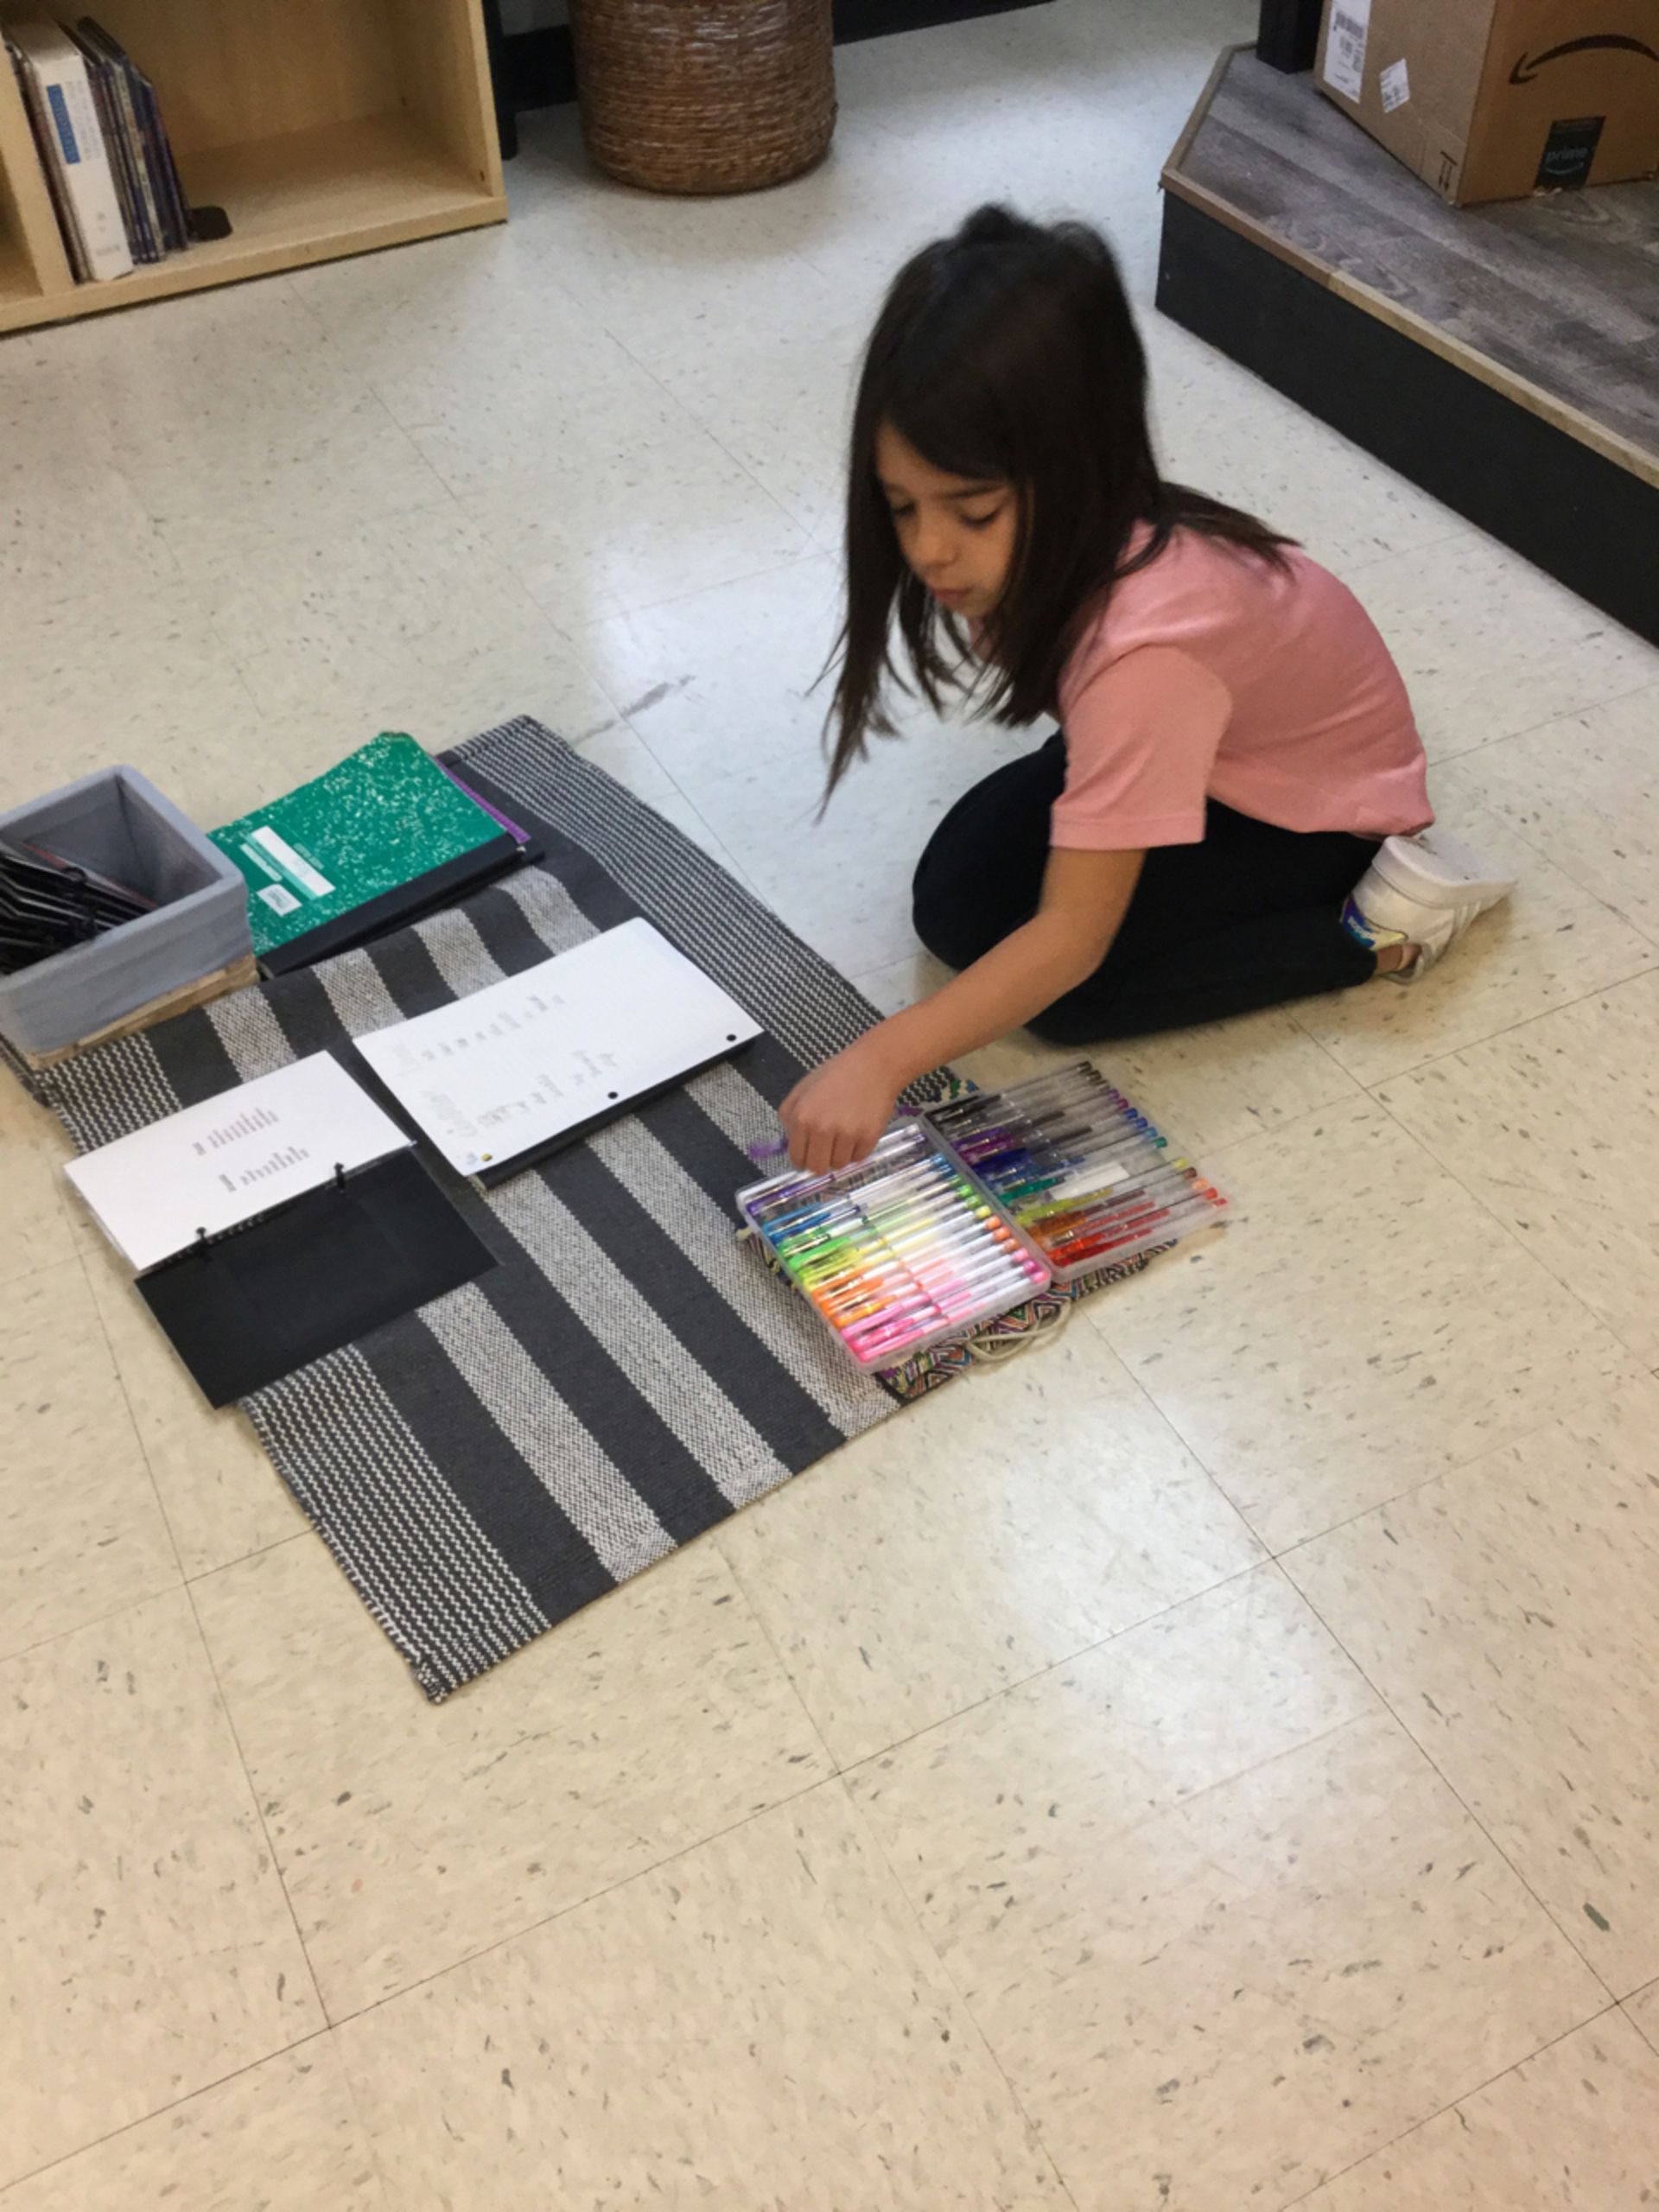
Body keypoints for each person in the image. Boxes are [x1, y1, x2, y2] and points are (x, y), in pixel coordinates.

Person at [779, 205, 1511, 1173]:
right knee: (954, 895)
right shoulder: (1068, 560)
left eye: (972, 509)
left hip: (1315, 811)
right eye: (901, 505)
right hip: (1202, 741)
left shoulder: (1146, 655)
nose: (927, 550)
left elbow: (1074, 939)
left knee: (1076, 991)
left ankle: (1374, 938)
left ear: (1078, 465)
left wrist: (880, 1060)